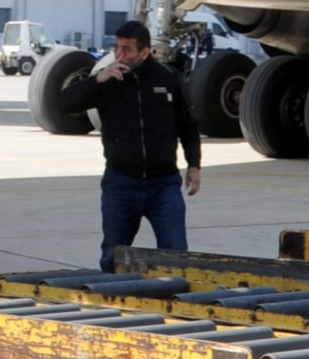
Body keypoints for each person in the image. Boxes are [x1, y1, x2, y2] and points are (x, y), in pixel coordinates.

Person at [57, 19, 202, 272]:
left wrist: (194, 165)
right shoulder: (107, 81)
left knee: (176, 252)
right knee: (113, 255)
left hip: (163, 184)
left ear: (144, 52)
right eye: (117, 48)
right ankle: (111, 302)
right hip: (121, 183)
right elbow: (65, 104)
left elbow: (188, 125)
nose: (119, 54)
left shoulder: (168, 78)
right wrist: (97, 80)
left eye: (127, 49)